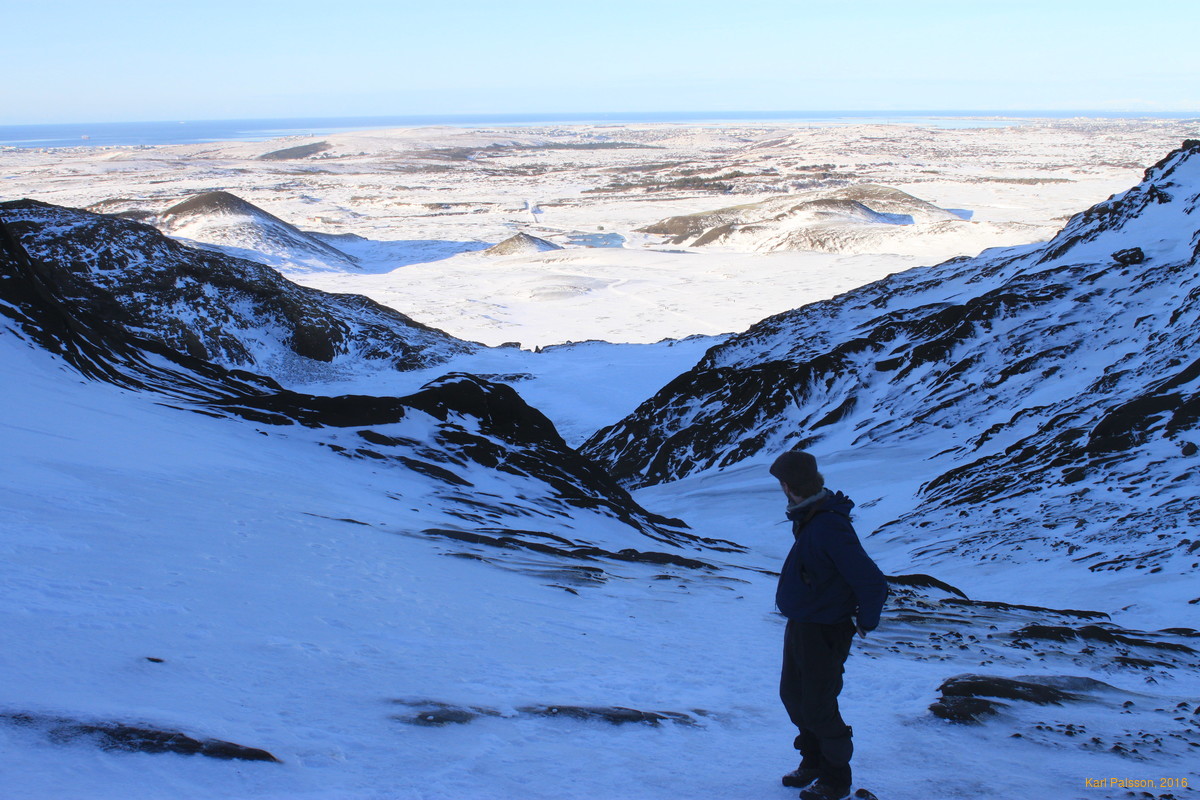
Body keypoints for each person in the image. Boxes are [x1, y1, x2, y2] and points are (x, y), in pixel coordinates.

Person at [770, 450, 888, 800]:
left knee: (819, 704)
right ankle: (814, 761)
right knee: (793, 695)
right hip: (804, 622)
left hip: (824, 628)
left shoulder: (828, 525)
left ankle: (836, 778)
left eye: (781, 483)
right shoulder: (810, 516)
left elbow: (872, 582)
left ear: (789, 485)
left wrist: (866, 620)